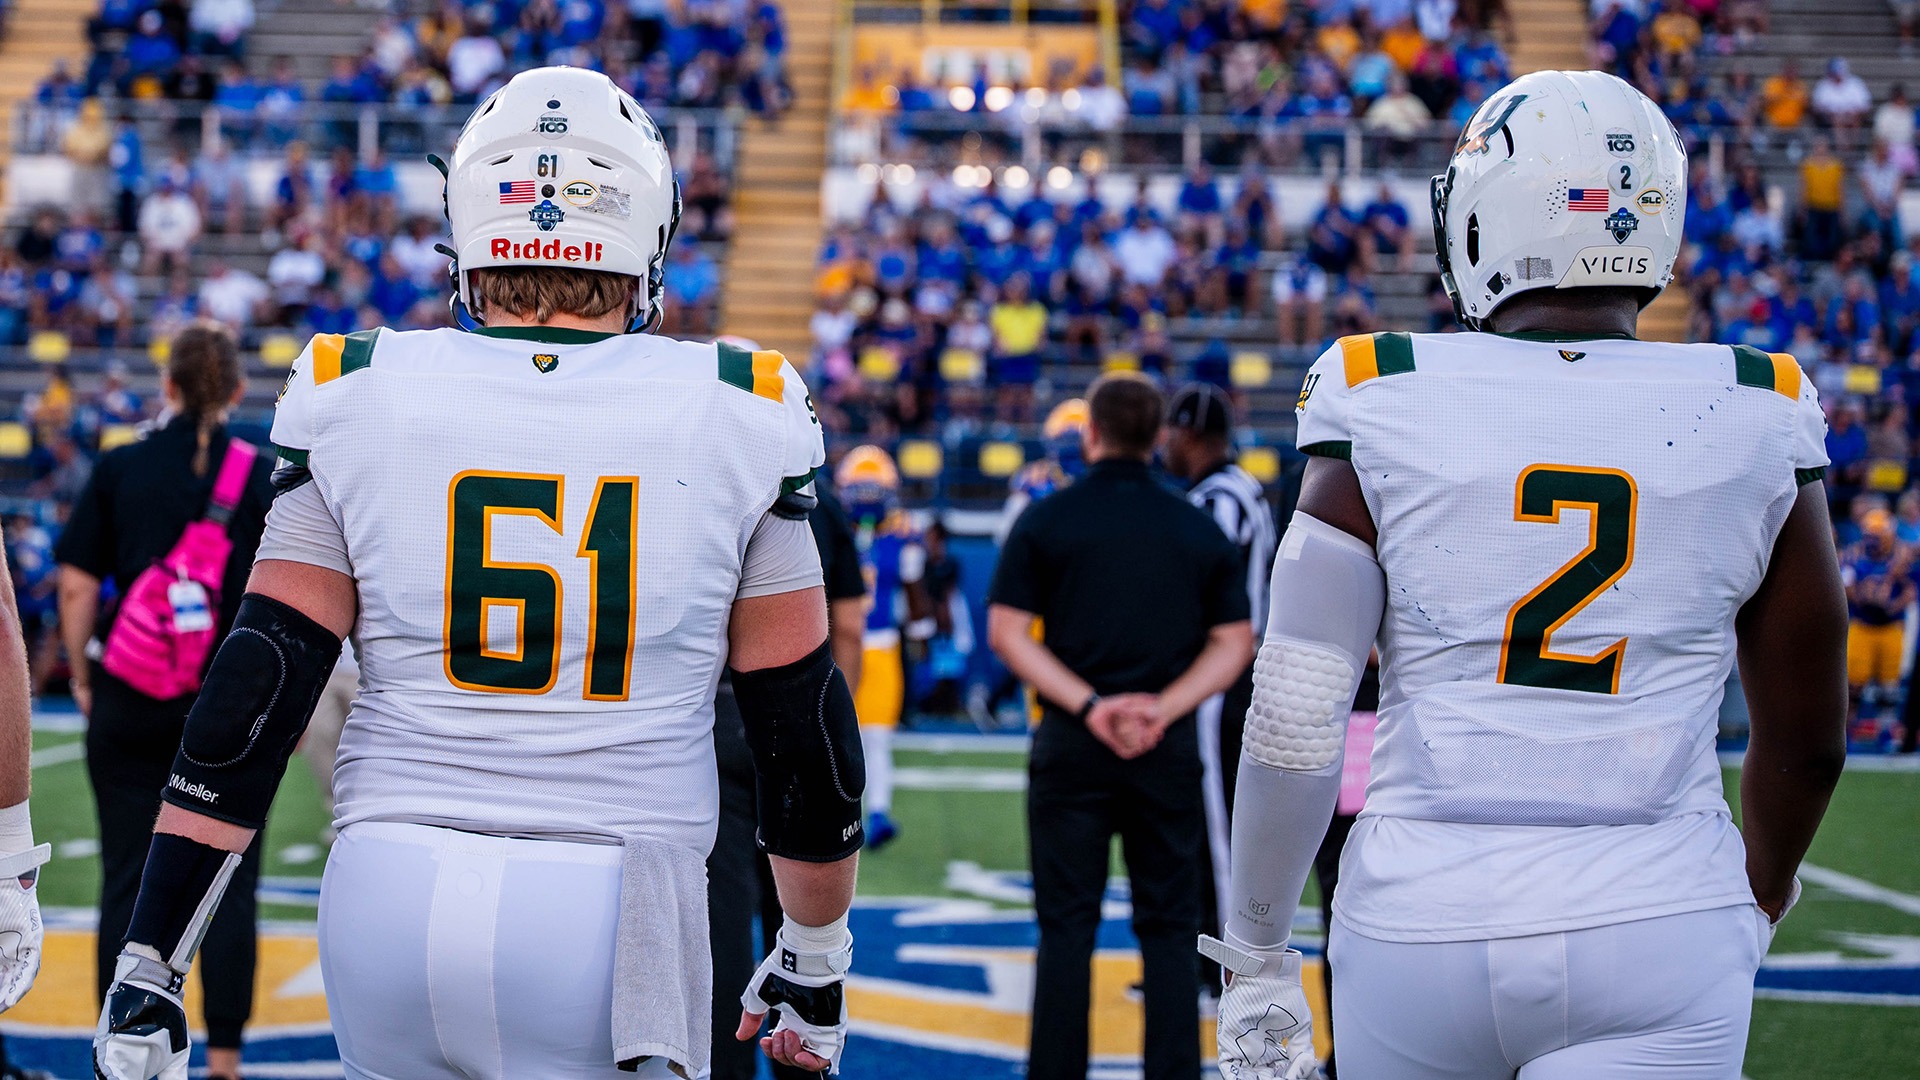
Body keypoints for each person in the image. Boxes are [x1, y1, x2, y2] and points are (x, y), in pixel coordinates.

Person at [92, 66, 863, 1080]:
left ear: (467, 219)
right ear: (649, 228)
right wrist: (814, 954)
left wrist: (153, 956)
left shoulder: (353, 385)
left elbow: (256, 691)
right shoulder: (740, 404)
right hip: (615, 906)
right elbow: (799, 718)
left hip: (389, 895)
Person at [1210, 70, 1847, 1080]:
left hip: (1422, 917)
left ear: (1483, 215)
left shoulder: (1381, 386)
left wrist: (1254, 956)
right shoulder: (1758, 400)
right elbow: (1809, 742)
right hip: (1661, 911)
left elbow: (1297, 717)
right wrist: (1752, 893)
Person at [987, 373, 1254, 1080]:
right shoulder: (1195, 526)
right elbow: (1235, 642)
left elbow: (1008, 632)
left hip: (1073, 744)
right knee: (1170, 931)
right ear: (1157, 437)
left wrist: (1087, 705)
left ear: (1090, 433)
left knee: (1066, 931)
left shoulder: (1048, 519)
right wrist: (1162, 708)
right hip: (1163, 747)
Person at [56, 324, 275, 1080]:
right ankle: (224, 1058)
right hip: (231, 702)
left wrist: (85, 676)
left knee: (129, 874)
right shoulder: (263, 474)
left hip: (129, 695)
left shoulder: (122, 467)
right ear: (239, 391)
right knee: (229, 882)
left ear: (169, 388)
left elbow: (79, 584)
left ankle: (121, 1051)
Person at [708, 477, 866, 1080]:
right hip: (794, 719)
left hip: (709, 722)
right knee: (807, 935)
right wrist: (832, 718)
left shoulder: (688, 472)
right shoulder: (816, 505)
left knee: (717, 929)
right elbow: (847, 626)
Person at [1160, 382, 1276, 996]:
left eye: (1173, 432)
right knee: (1209, 825)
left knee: (1217, 826)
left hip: (1220, 678)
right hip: (1228, 674)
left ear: (1190, 434)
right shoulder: (1238, 490)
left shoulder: (1218, 499)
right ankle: (1208, 964)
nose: (1165, 444)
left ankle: (1235, 969)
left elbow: (1203, 592)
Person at [836, 445, 929, 849]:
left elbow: (912, 589)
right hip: (838, 641)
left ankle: (877, 813)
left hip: (881, 643)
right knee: (838, 734)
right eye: (862, 490)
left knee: (875, 736)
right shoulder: (835, 528)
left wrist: (921, 630)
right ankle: (842, 812)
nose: (868, 499)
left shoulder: (902, 534)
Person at [1841, 508, 1911, 743]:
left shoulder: (1902, 556)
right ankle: (1846, 730)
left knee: (1889, 686)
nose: (1873, 540)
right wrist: (1865, 596)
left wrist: (1892, 605)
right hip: (1863, 624)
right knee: (1854, 684)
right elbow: (1847, 585)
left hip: (1891, 625)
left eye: (1877, 535)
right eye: (1870, 535)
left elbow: (1911, 591)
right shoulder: (1853, 555)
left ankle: (1887, 732)